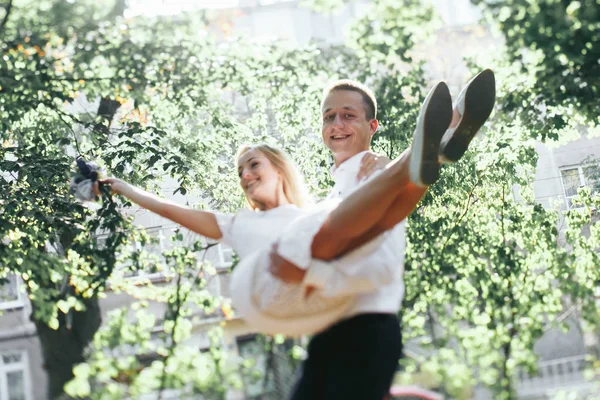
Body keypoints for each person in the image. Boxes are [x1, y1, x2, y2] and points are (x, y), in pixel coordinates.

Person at [263, 69, 496, 400]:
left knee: (341, 227)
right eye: (329, 117)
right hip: (338, 338)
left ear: (372, 127)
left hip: (362, 332)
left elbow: (382, 270)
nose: (337, 124)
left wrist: (310, 273)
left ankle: (434, 144)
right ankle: (443, 138)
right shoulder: (339, 191)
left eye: (348, 115)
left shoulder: (369, 175)